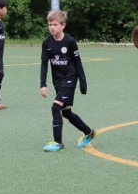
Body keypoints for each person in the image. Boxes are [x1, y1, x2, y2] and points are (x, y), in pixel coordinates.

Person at [39, 10, 96, 152]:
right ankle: (89, 132)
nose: (52, 27)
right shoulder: (47, 43)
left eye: (55, 24)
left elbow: (78, 63)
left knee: (55, 107)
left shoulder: (70, 42)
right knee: (66, 112)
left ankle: (58, 143)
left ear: (63, 25)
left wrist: (83, 83)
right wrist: (43, 84)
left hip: (70, 78)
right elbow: (44, 64)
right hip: (58, 81)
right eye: (50, 24)